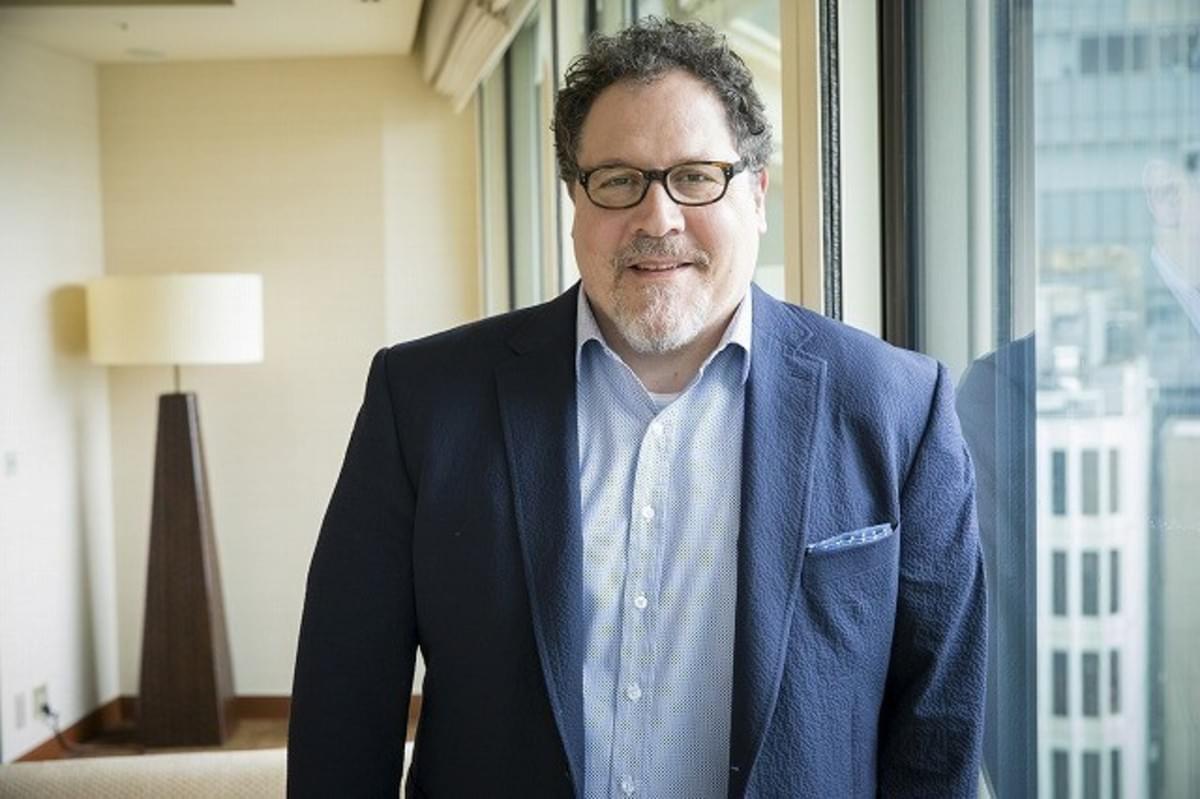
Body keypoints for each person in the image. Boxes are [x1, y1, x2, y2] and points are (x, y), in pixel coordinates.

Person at [288, 18, 986, 798]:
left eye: (696, 176)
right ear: (574, 200)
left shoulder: (900, 408)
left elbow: (937, 733)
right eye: (619, 180)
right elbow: (345, 704)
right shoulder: (422, 400)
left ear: (757, 194)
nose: (658, 219)